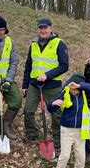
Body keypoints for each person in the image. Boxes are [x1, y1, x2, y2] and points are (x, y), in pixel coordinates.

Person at [22, 17, 69, 149]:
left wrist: (47, 75)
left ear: (51, 29)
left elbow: (64, 66)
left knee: (56, 113)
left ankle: (58, 138)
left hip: (52, 85)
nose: (43, 30)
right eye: (40, 28)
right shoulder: (33, 44)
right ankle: (32, 133)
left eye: (45, 28)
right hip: (34, 85)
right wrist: (25, 85)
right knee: (28, 110)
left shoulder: (59, 43)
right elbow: (28, 66)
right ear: (38, 29)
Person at [48, 73, 90, 168]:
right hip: (67, 130)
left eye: (75, 88)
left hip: (81, 130)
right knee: (65, 155)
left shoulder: (85, 95)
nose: (73, 90)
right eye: (71, 87)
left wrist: (80, 85)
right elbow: (51, 108)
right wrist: (52, 104)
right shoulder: (64, 94)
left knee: (81, 155)